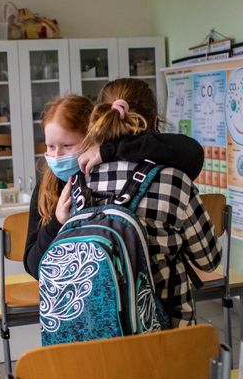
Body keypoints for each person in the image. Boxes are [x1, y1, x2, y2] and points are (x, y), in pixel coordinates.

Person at [25, 83, 220, 322]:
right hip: (167, 329)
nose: (56, 156)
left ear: (95, 128)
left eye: (66, 146)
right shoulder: (174, 181)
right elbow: (209, 261)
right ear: (154, 123)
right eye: (51, 147)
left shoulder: (75, 185)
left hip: (94, 327)